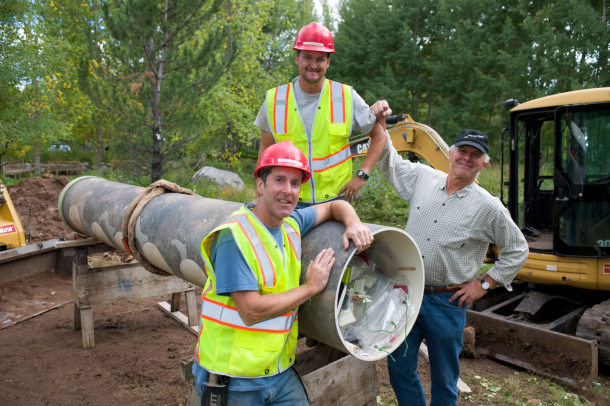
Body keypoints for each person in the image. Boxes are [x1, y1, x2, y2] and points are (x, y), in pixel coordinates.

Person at [192, 140, 374, 405]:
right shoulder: (235, 237)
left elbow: (334, 206)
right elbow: (250, 311)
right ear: (260, 185)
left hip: (278, 371)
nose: (288, 191)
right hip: (234, 378)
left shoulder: (290, 224)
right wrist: (311, 288)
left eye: (295, 183)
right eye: (279, 180)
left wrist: (353, 223)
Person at [370, 105, 529, 406]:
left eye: (475, 155)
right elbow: (390, 162)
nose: (467, 158)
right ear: (452, 152)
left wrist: (483, 285)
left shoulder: (488, 207)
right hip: (407, 293)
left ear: (483, 164)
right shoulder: (423, 179)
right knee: (399, 368)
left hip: (447, 302)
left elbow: (518, 248)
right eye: (463, 151)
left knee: (445, 379)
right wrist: (379, 124)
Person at [254, 22, 390, 208]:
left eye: (320, 59)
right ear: (297, 59)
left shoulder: (345, 96)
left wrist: (362, 175)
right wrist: (260, 193)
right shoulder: (275, 101)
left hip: (336, 200)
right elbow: (265, 151)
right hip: (288, 201)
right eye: (307, 57)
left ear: (328, 62)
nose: (313, 65)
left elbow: (380, 137)